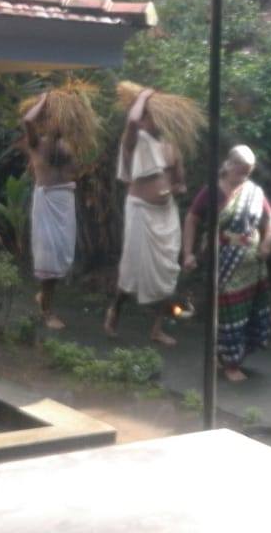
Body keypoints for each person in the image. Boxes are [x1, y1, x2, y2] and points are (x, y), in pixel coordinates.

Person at [182, 145, 271, 383]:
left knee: (248, 313)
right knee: (228, 314)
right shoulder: (211, 192)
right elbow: (192, 219)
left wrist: (267, 241)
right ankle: (230, 364)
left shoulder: (253, 192)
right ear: (230, 165)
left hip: (252, 263)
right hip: (222, 262)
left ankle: (229, 357)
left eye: (248, 171)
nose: (244, 175)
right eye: (241, 169)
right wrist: (188, 253)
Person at [105, 87, 187, 346]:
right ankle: (115, 310)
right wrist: (143, 96)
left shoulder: (172, 146)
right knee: (131, 267)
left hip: (166, 215)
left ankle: (157, 328)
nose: (147, 121)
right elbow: (131, 120)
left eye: (150, 117)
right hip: (140, 210)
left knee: (167, 271)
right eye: (147, 116)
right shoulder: (135, 141)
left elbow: (180, 183)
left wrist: (174, 188)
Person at [22, 90, 86, 330]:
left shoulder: (69, 146)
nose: (58, 122)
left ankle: (43, 298)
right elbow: (28, 120)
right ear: (47, 121)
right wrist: (43, 100)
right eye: (54, 117)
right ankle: (46, 312)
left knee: (60, 257)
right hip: (47, 205)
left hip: (65, 203)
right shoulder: (36, 144)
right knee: (49, 258)